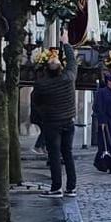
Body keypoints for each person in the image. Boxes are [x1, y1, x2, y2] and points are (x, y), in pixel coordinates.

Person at [29, 55, 77, 198]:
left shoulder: (42, 84)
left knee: (54, 155)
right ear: (60, 69)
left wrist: (42, 115)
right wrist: (66, 43)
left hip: (52, 122)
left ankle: (56, 187)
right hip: (68, 121)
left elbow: (35, 102)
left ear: (46, 70)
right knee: (67, 154)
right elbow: (72, 63)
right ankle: (71, 187)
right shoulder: (68, 79)